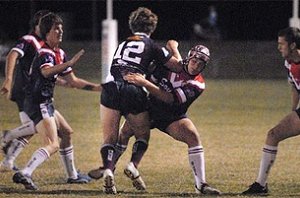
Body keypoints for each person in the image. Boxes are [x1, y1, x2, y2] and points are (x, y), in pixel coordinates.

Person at [89, 44, 221, 195]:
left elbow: (169, 98)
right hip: (149, 109)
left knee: (193, 137)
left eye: (201, 64)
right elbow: (168, 48)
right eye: (194, 61)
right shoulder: (169, 66)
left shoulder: (198, 84)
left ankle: (201, 185)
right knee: (124, 134)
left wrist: (144, 82)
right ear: (189, 57)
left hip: (171, 116)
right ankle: (110, 171)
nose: (196, 65)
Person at [0, 10, 93, 185]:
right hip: (30, 94)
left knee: (63, 131)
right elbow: (17, 57)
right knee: (48, 139)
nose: (60, 32)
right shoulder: (32, 42)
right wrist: (9, 79)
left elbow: (46, 73)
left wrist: (96, 88)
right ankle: (22, 165)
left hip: (39, 96)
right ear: (40, 26)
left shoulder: (50, 49)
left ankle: (9, 156)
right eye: (54, 27)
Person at [96, 7, 182, 194]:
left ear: (132, 25)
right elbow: (177, 67)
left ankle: (109, 170)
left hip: (110, 87)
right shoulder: (151, 45)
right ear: (152, 27)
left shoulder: (123, 43)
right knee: (142, 135)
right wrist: (174, 48)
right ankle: (133, 165)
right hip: (133, 90)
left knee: (110, 138)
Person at [242, 27, 300, 195]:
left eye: (282, 44)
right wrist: (293, 112)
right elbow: (295, 88)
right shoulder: (289, 63)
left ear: (293, 45)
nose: (279, 47)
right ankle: (260, 185)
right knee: (273, 134)